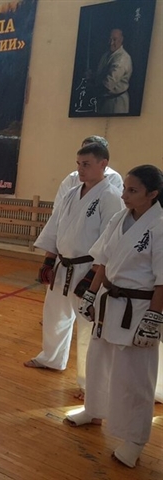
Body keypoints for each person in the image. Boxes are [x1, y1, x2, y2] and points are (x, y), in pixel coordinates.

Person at [66, 165, 163, 469]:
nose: (124, 195)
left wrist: (154, 319)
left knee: (135, 377)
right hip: (109, 302)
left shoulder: (159, 225)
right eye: (124, 188)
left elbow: (162, 280)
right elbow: (103, 262)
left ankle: (135, 440)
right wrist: (91, 294)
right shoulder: (120, 218)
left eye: (132, 190)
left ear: (152, 194)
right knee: (98, 361)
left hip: (139, 308)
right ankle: (93, 410)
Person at [24, 143, 123, 400]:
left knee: (87, 326)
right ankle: (52, 358)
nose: (80, 169)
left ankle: (89, 384)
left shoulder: (111, 196)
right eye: (78, 164)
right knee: (55, 315)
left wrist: (93, 275)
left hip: (88, 268)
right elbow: (55, 227)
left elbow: (110, 240)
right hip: (63, 265)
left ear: (103, 164)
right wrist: (48, 260)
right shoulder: (71, 193)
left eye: (86, 164)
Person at [54, 135, 123, 207]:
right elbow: (58, 208)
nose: (80, 168)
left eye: (86, 164)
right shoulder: (72, 180)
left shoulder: (113, 178)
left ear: (102, 162)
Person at [91, 28, 133, 115]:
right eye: (110, 39)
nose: (111, 43)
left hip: (116, 103)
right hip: (104, 101)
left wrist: (90, 90)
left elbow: (108, 84)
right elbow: (102, 74)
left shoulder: (122, 58)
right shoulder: (106, 54)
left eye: (114, 39)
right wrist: (92, 76)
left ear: (121, 40)